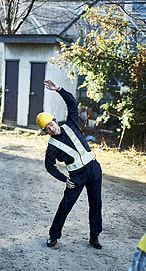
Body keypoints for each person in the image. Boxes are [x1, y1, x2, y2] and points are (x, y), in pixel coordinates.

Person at [36, 79, 103, 249]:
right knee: (65, 205)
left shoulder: (70, 124)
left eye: (51, 124)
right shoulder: (51, 147)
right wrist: (64, 179)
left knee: (96, 204)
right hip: (77, 176)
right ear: (46, 132)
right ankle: (53, 235)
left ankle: (94, 236)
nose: (52, 128)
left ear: (55, 121)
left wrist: (58, 89)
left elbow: (72, 103)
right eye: (47, 129)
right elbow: (49, 166)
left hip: (94, 168)